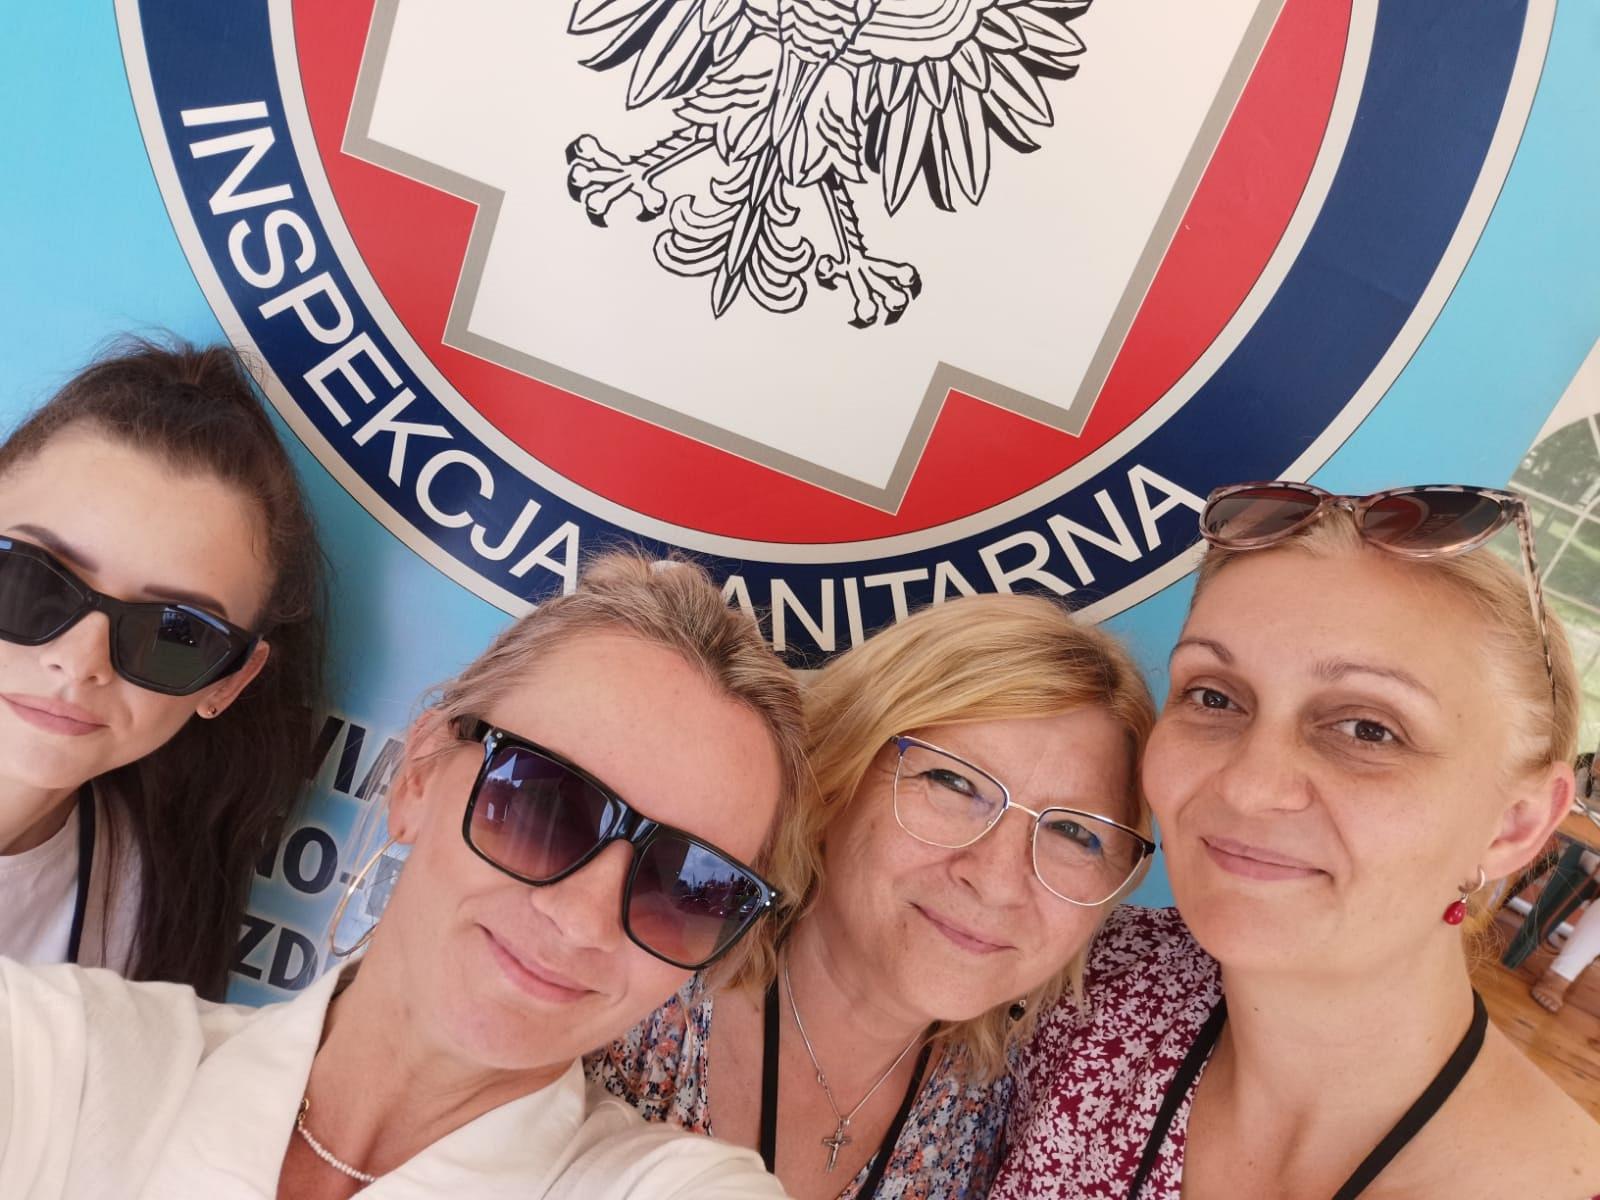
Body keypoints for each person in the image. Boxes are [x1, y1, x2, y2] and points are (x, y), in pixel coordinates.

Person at [0, 552, 807, 1199]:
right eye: (543, 804)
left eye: (690, 888)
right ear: (420, 774)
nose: (584, 918)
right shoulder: (70, 1059)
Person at [993, 481, 1600, 1200]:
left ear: (1516, 823)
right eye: (1213, 697)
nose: (1248, 787)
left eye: (1369, 729)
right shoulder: (1081, 987)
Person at [590, 592, 1158, 1200]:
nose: (996, 881)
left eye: (1075, 833)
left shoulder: (1030, 1119)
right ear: (841, 768)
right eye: (953, 782)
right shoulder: (629, 968)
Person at [0, 337, 325, 997]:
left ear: (230, 681)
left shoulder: (141, 904)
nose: (81, 662)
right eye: (33, 580)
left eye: (177, 633)